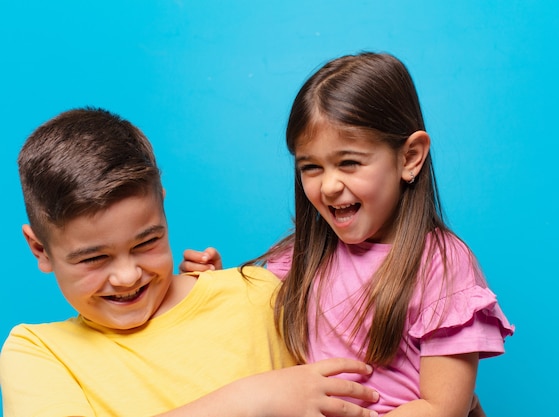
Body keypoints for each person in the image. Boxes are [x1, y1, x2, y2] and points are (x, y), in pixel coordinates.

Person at [181, 52, 514, 417]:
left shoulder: (442, 266)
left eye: (349, 163)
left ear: (410, 158)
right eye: (311, 167)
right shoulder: (301, 257)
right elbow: (251, 331)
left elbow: (442, 407)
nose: (329, 186)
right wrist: (213, 288)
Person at [0, 107, 380, 417]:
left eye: (147, 242)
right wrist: (251, 400)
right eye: (95, 258)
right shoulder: (37, 351)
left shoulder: (257, 295)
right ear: (40, 250)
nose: (127, 275)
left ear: (162, 208)